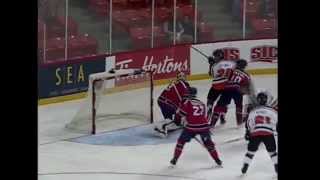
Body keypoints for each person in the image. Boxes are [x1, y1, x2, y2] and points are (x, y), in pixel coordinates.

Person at [169, 87, 223, 167]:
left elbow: (180, 115)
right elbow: (204, 116)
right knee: (209, 145)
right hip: (204, 127)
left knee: (180, 142)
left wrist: (178, 121)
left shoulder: (187, 103)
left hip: (191, 128)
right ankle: (217, 160)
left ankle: (175, 159)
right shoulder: (201, 103)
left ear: (188, 94)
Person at [241, 90, 278, 175]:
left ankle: (246, 165)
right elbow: (276, 122)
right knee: (272, 153)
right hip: (268, 132)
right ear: (267, 100)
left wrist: (249, 132)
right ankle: (276, 166)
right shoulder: (272, 111)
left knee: (250, 152)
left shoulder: (253, 110)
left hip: (255, 133)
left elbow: (249, 123)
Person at [210, 59, 252, 128]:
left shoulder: (229, 70)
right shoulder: (246, 75)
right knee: (239, 106)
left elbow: (220, 77)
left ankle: (212, 124)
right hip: (237, 91)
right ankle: (239, 123)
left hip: (227, 90)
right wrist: (243, 92)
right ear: (244, 67)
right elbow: (246, 87)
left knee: (219, 106)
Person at [154, 71, 190, 137]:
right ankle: (162, 127)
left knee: (169, 119)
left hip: (161, 100)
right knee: (177, 121)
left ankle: (163, 126)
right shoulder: (184, 84)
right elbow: (185, 101)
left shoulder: (174, 82)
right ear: (184, 78)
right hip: (168, 103)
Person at [206, 49, 236, 123]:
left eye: (215, 56)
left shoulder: (215, 66)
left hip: (217, 85)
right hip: (228, 86)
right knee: (223, 103)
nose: (214, 57)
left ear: (219, 56)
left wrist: (211, 64)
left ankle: (209, 111)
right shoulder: (231, 63)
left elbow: (212, 74)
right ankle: (222, 115)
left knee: (210, 100)